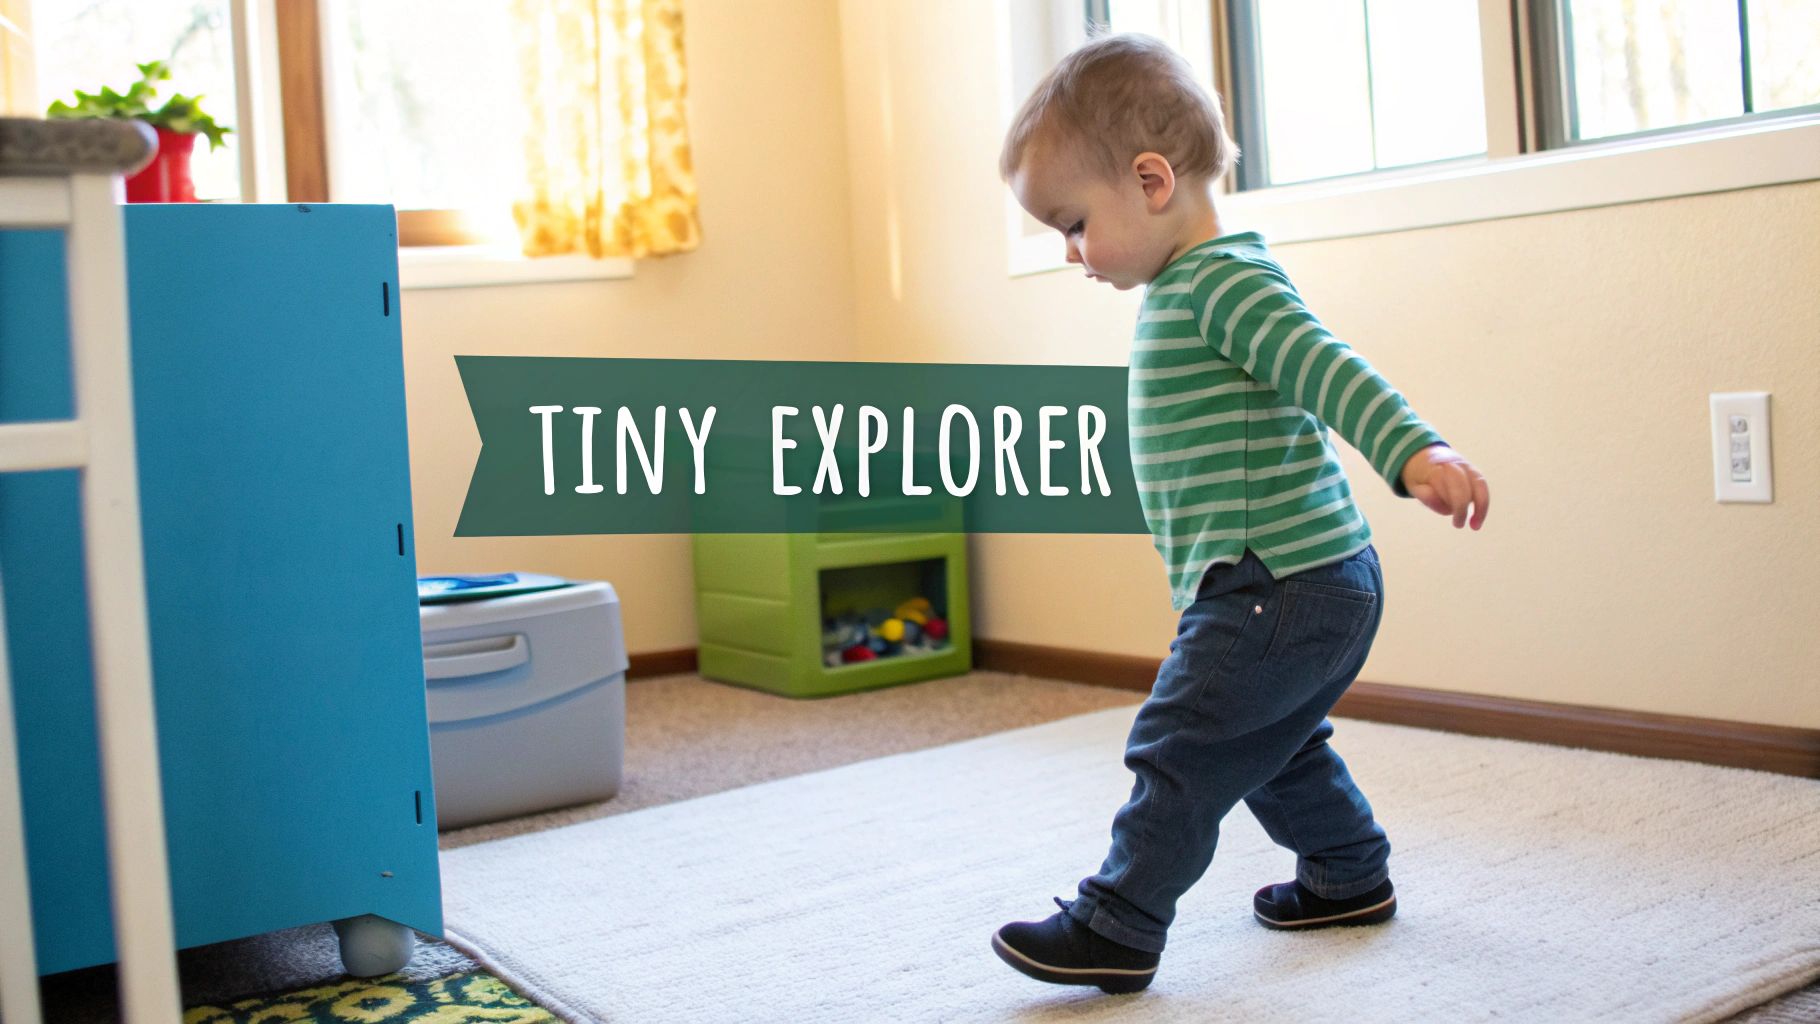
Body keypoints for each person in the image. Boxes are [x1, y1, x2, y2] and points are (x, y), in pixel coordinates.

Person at [990, 33, 1491, 994]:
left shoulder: (1223, 281)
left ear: (1149, 180)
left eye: (1072, 222)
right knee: (1271, 743)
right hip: (1295, 581)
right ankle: (1347, 876)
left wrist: (1412, 449)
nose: (1069, 252)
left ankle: (1119, 920)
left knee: (1180, 744)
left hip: (1280, 582)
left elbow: (1323, 365)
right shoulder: (1191, 284)